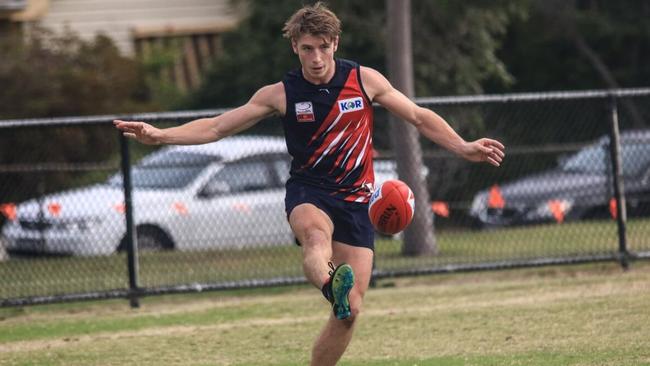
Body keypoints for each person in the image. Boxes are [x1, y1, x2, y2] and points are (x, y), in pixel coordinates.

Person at [114, 2, 505, 365]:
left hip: (357, 202)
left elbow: (418, 116)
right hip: (309, 193)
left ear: (334, 43)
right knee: (317, 240)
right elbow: (217, 127)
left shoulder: (363, 80)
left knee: (350, 313)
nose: (315, 58)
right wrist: (161, 135)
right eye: (306, 49)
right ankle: (331, 282)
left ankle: (338, 297)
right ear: (294, 49)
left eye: (322, 47)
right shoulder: (281, 94)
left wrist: (463, 146)